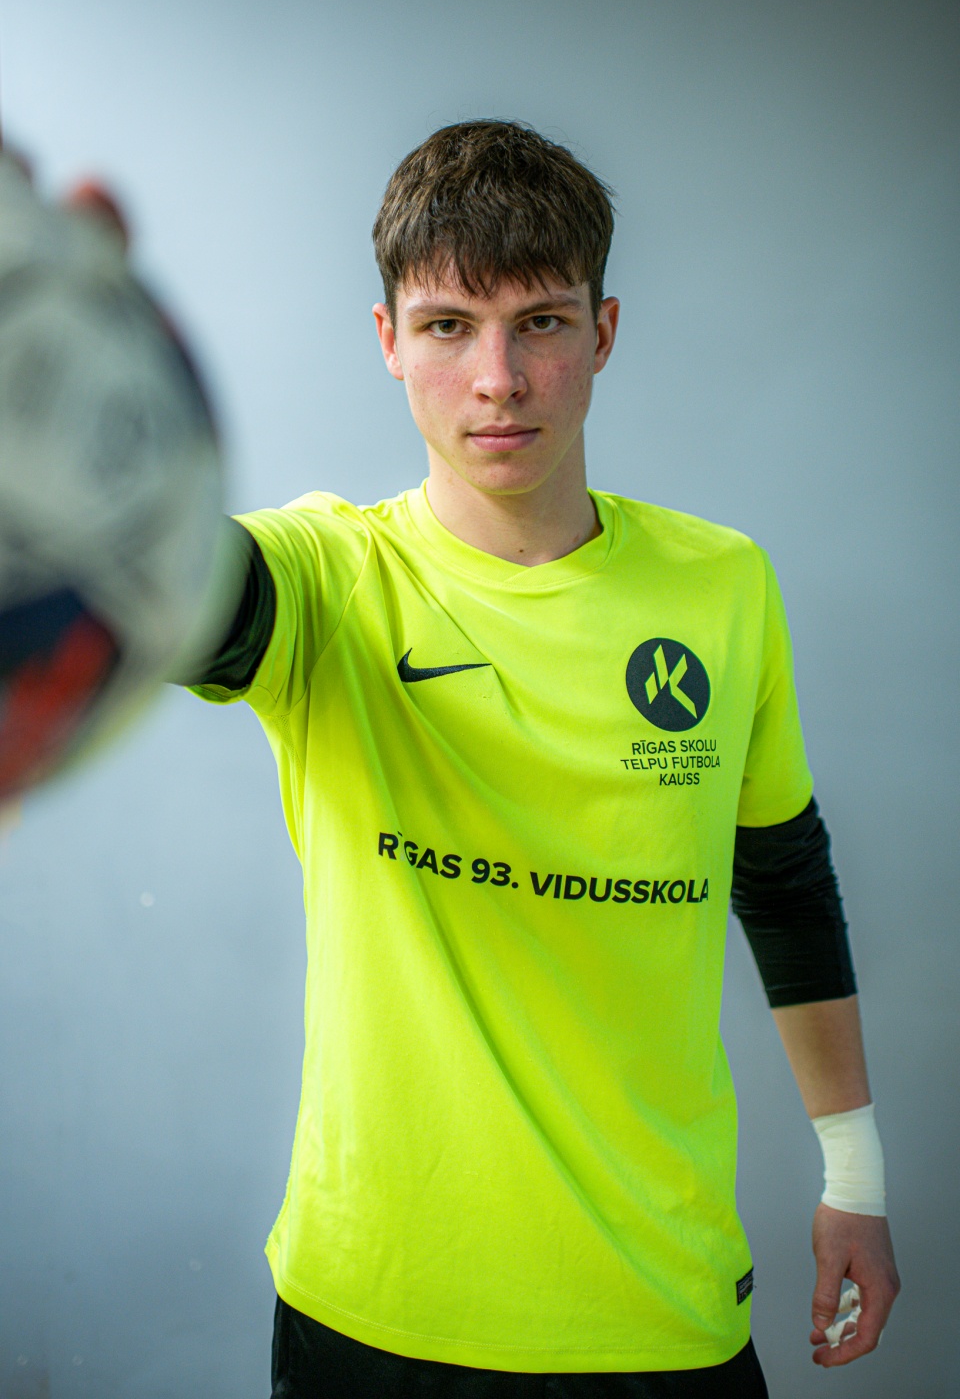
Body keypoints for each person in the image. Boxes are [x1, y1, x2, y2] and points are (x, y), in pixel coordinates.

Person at [182, 120, 899, 1396]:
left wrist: (857, 1176)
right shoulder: (333, 578)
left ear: (604, 333)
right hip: (377, 1311)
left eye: (543, 324)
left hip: (656, 1304)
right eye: (449, 326)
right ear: (388, 339)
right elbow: (191, 592)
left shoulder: (724, 586)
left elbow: (784, 884)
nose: (498, 379)